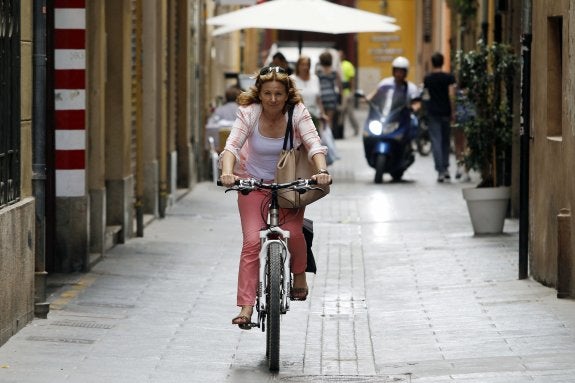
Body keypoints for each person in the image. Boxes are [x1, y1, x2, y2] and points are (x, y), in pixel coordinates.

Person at [219, 65, 332, 329]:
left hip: (289, 185)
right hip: (252, 183)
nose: (272, 99)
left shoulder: (298, 113)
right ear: (259, 93)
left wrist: (322, 171)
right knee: (250, 242)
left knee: (293, 233)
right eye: (267, 93)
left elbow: (314, 144)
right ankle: (246, 307)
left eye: (278, 94)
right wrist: (227, 173)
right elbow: (232, 146)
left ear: (287, 94)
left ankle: (299, 274)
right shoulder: (249, 113)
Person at [293, 55, 338, 164]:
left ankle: (314, 166)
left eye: (307, 65)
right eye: (302, 64)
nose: (305, 67)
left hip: (314, 117)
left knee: (314, 143)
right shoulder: (292, 79)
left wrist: (322, 113)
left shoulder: (315, 78)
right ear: (298, 66)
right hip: (297, 117)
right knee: (299, 144)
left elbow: (319, 99)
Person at [423, 52, 456, 183]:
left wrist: (425, 109)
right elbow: (452, 95)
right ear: (442, 62)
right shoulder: (448, 77)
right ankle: (446, 168)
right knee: (446, 141)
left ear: (432, 62)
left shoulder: (428, 79)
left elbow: (425, 96)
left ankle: (440, 171)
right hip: (446, 112)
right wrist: (453, 111)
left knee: (436, 141)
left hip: (433, 113)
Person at [366, 56, 420, 132]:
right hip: (385, 116)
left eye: (401, 72)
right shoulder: (385, 83)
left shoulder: (411, 88)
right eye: (397, 71)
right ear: (393, 71)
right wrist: (367, 99)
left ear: (405, 73)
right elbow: (375, 93)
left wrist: (413, 107)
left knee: (414, 127)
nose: (398, 74)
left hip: (402, 118)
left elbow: (417, 102)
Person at [338, 49, 360, 136]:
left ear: (343, 56)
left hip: (347, 92)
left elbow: (352, 80)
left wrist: (352, 92)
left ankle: (356, 128)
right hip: (340, 93)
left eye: (340, 55)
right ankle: (340, 132)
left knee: (350, 113)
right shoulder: (336, 65)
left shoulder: (348, 65)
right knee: (341, 113)